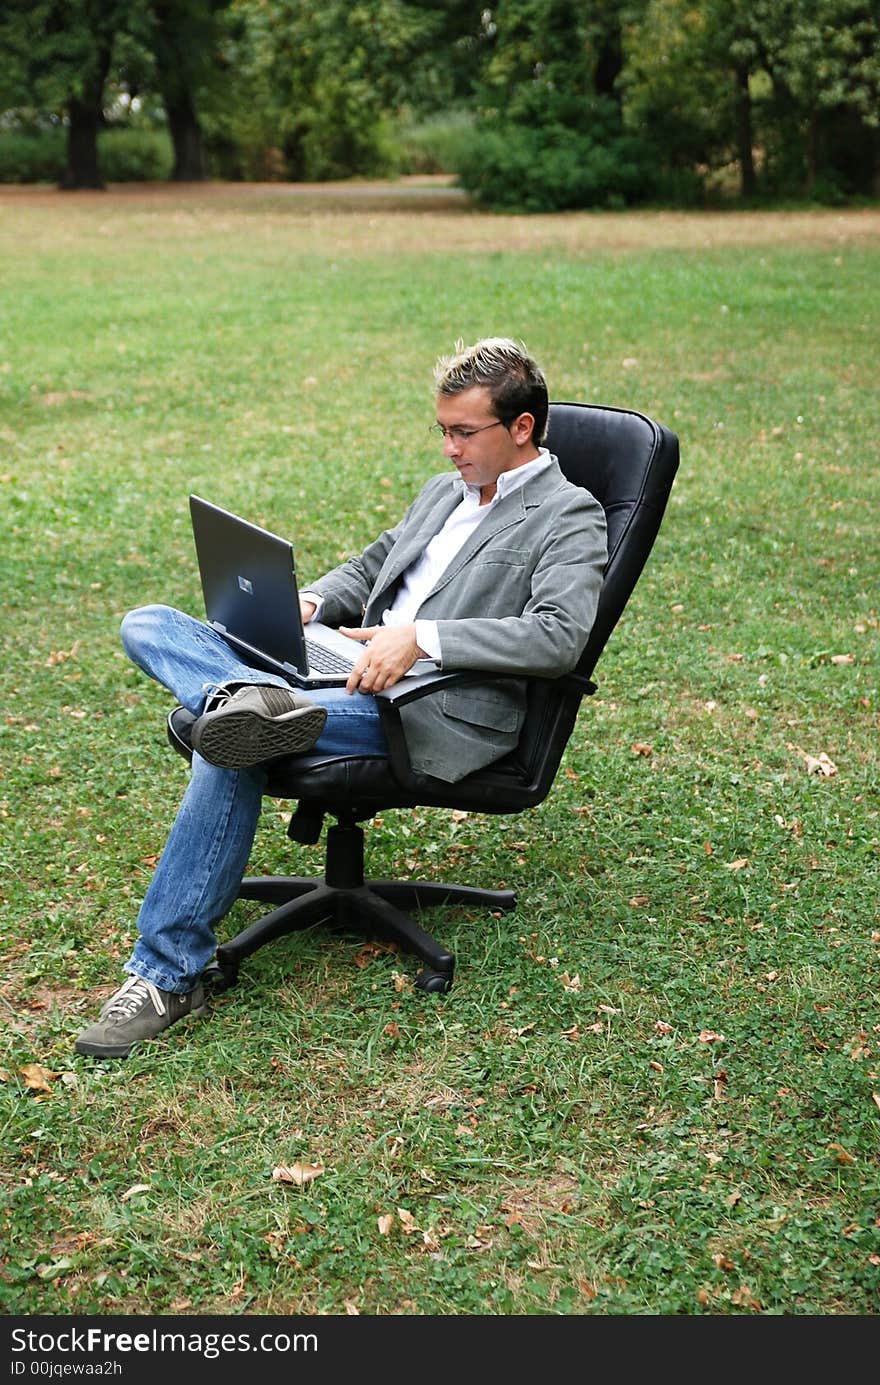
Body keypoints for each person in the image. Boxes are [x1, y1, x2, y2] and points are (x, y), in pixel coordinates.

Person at [74, 337, 608, 1059]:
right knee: (149, 623)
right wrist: (313, 601)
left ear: (521, 428)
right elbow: (372, 564)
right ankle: (250, 698)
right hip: (341, 668)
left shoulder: (567, 514)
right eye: (442, 431)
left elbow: (558, 637)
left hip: (423, 705)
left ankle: (168, 974)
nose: (449, 449)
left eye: (463, 432)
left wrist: (421, 639)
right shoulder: (443, 491)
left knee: (233, 748)